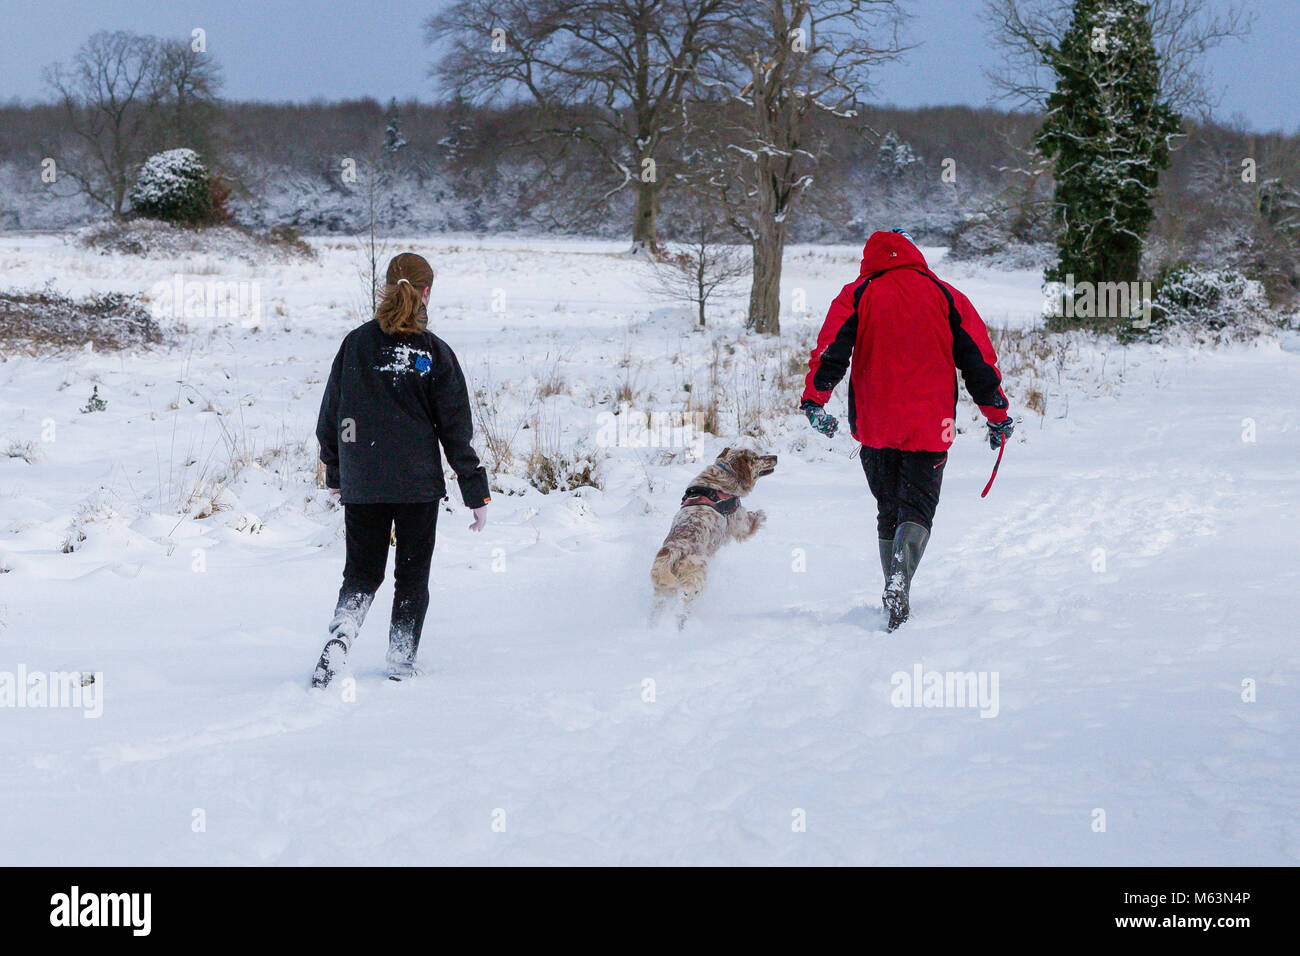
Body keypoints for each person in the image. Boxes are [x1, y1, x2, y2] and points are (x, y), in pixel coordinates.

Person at [799, 229, 1013, 631]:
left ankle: (892, 583)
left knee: (888, 507)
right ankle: (901, 580)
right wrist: (996, 413)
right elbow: (978, 361)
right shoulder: (945, 294)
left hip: (874, 421)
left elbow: (830, 352)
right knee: (917, 507)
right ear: (915, 251)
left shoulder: (857, 293)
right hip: (931, 423)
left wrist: (815, 399)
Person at [312, 252, 490, 685]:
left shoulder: (355, 343)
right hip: (416, 485)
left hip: (363, 481)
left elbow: (332, 417)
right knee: (411, 576)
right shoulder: (434, 353)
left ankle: (343, 633)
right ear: (426, 292)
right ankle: (399, 661)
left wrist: (337, 473)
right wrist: (475, 492)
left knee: (361, 573)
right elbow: (455, 430)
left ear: (386, 287)